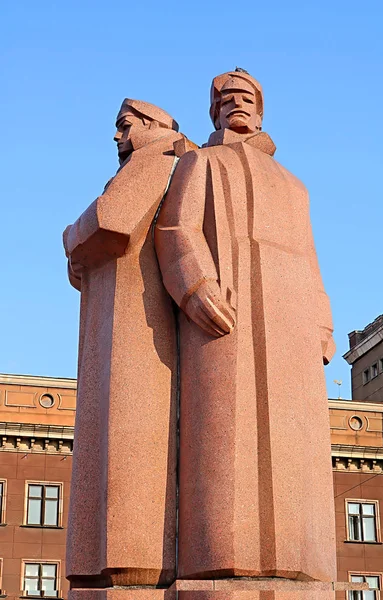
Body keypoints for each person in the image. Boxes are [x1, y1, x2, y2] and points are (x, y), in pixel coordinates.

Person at [155, 70, 337, 582]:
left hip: (292, 324)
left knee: (294, 444)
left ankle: (300, 566)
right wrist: (196, 288)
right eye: (226, 99)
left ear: (260, 110)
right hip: (225, 316)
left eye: (246, 97)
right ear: (214, 112)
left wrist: (322, 323)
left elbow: (309, 255)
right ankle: (219, 562)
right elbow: (176, 228)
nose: (236, 104)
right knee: (222, 434)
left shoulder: (294, 185)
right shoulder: (200, 162)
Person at [64, 99, 190, 588]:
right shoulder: (148, 162)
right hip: (112, 315)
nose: (117, 136)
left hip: (137, 322)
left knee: (126, 430)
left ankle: (130, 564)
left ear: (153, 126)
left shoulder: (157, 159)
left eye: (124, 126)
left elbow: (111, 221)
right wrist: (81, 242)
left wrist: (71, 235)